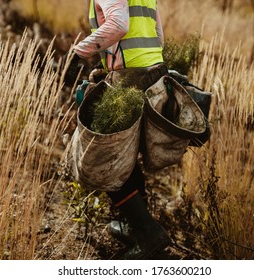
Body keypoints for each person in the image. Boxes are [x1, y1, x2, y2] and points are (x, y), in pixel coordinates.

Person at [68, 0, 170, 259]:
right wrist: (110, 65)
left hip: (132, 77)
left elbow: (119, 24)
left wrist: (79, 54)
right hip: (154, 72)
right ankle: (136, 227)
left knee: (105, 156)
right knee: (127, 152)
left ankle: (147, 231)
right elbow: (156, 34)